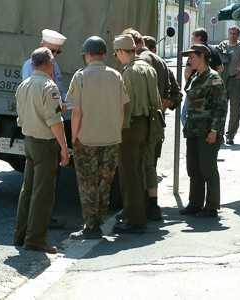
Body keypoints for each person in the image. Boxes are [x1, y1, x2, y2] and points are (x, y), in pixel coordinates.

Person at [66, 36, 129, 240]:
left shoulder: (80, 76)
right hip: (111, 138)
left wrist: (74, 137)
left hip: (86, 138)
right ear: (103, 54)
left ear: (86, 55)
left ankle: (90, 225)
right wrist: (115, 132)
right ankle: (98, 223)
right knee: (105, 182)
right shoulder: (116, 75)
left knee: (87, 183)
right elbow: (121, 109)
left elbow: (76, 112)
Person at [13, 47, 70, 253]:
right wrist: (64, 148)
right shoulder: (50, 87)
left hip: (29, 140)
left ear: (32, 64)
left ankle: (21, 234)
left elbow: (21, 116)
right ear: (50, 64)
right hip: (45, 144)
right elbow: (55, 121)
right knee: (43, 193)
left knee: (27, 189)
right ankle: (36, 238)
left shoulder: (23, 85)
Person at [112, 34, 161, 234]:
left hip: (131, 127)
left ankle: (135, 221)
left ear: (122, 51)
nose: (117, 57)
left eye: (116, 53)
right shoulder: (148, 68)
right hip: (147, 124)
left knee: (129, 174)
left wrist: (119, 129)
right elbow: (156, 101)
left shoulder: (129, 73)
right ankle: (139, 214)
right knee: (138, 171)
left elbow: (126, 106)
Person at [121, 28, 170, 221]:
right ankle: (150, 208)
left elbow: (127, 105)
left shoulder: (133, 69)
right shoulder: (154, 63)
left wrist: (122, 127)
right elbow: (167, 95)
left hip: (136, 124)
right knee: (147, 166)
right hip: (153, 121)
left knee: (134, 170)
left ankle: (137, 213)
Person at [21, 29, 68, 230]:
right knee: (42, 188)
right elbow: (50, 114)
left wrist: (62, 102)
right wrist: (64, 147)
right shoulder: (32, 70)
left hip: (32, 135)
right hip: (43, 133)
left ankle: (24, 230)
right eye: (52, 51)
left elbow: (60, 91)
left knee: (32, 187)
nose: (55, 56)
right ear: (42, 46)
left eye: (58, 52)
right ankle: (36, 233)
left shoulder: (53, 68)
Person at [180, 44, 227, 218]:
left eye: (192, 57)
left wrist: (215, 130)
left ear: (202, 57)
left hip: (207, 131)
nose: (189, 60)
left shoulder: (213, 78)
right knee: (193, 169)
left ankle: (212, 206)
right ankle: (195, 204)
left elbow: (220, 107)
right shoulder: (195, 77)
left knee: (208, 168)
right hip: (193, 131)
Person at [181, 27, 224, 126]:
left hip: (195, 90)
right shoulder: (213, 50)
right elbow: (221, 68)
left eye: (193, 38)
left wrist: (194, 83)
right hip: (207, 91)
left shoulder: (196, 51)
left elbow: (187, 73)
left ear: (199, 38)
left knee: (185, 116)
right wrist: (208, 79)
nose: (191, 60)